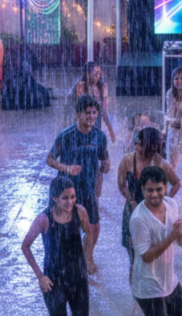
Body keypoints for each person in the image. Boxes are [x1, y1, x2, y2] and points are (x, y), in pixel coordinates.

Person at [130, 165, 182, 316]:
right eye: (149, 190)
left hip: (170, 282)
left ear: (165, 187)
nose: (154, 194)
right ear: (142, 189)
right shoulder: (139, 218)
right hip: (148, 289)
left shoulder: (171, 205)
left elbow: (180, 241)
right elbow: (146, 257)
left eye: (158, 189)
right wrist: (171, 236)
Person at [47, 95, 111, 271]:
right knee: (64, 227)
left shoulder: (99, 136)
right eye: (87, 113)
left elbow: (104, 159)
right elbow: (50, 159)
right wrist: (67, 168)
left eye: (94, 112)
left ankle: (86, 257)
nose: (91, 116)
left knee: (94, 228)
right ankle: (64, 261)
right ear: (78, 114)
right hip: (67, 191)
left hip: (88, 189)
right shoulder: (66, 136)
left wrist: (106, 167)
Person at [22, 176, 96, 316]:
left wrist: (87, 259)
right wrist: (40, 277)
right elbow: (25, 246)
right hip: (54, 281)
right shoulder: (44, 219)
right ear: (55, 198)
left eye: (73, 197)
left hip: (77, 277)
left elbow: (88, 233)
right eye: (65, 198)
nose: (70, 202)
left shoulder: (80, 212)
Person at [118, 128, 181, 273]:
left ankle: (155, 291)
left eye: (142, 145)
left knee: (155, 257)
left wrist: (165, 201)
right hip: (132, 213)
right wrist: (132, 202)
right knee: (134, 260)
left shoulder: (161, 163)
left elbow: (176, 183)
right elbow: (121, 186)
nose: (138, 148)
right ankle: (136, 294)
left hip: (154, 215)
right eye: (137, 144)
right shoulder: (128, 160)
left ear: (151, 147)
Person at [68, 61, 116, 142]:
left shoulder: (103, 87)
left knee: (94, 145)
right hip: (82, 121)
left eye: (99, 73)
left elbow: (104, 111)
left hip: (95, 121)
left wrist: (110, 130)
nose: (98, 76)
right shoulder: (81, 86)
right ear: (88, 73)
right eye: (95, 73)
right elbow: (80, 107)